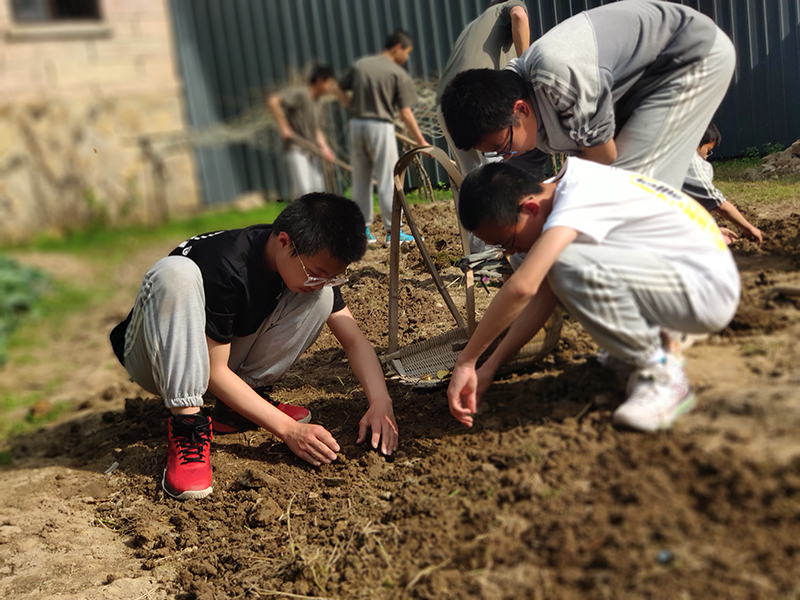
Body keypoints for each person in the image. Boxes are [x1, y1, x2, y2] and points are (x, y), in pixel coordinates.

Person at [109, 193, 399, 501]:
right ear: (285, 242)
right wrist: (288, 430)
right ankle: (187, 426)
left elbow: (353, 339)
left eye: (330, 277)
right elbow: (215, 373)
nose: (318, 281)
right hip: (155, 357)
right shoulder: (225, 264)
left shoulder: (295, 260)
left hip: (209, 357)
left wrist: (381, 403)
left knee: (322, 299)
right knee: (175, 273)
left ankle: (236, 409)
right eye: (316, 273)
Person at [446, 159, 740, 432]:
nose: (510, 253)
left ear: (530, 208)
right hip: (679, 280)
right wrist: (490, 366)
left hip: (706, 291)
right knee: (564, 267)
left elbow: (524, 287)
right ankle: (645, 347)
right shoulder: (559, 193)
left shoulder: (576, 195)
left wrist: (467, 361)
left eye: (507, 242)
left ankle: (663, 374)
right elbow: (542, 299)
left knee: (565, 263)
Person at [440, 0, 736, 189]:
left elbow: (604, 159)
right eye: (496, 153)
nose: (505, 156)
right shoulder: (521, 110)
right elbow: (520, 180)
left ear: (521, 110)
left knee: (630, 187)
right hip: (636, 88)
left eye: (503, 147)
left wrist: (550, 198)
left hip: (691, 57)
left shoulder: (555, 76)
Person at [340, 29, 428, 247]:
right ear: (398, 48)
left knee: (361, 178)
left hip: (356, 125)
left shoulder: (361, 64)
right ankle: (394, 232)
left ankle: (362, 231)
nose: (406, 58)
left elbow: (338, 88)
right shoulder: (396, 73)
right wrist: (421, 141)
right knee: (389, 177)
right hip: (380, 126)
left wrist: (351, 106)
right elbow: (405, 113)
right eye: (407, 53)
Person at [436, 0, 532, 175]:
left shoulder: (474, 25)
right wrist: (526, 67)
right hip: (477, 99)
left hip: (446, 106)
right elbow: (519, 15)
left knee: (474, 180)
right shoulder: (509, 6)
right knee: (498, 179)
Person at [267, 65, 344, 199]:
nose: (330, 88)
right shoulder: (301, 93)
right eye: (329, 83)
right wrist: (283, 126)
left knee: (318, 190)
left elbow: (317, 130)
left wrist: (325, 148)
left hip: (312, 149)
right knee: (305, 190)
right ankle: (303, 219)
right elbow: (273, 101)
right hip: (297, 148)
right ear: (320, 81)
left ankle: (316, 220)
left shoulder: (319, 102)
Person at [683, 123, 763, 244]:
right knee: (726, 241)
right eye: (708, 150)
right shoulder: (691, 163)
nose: (705, 157)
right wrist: (749, 228)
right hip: (662, 233)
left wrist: (713, 229)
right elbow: (719, 204)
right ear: (697, 142)